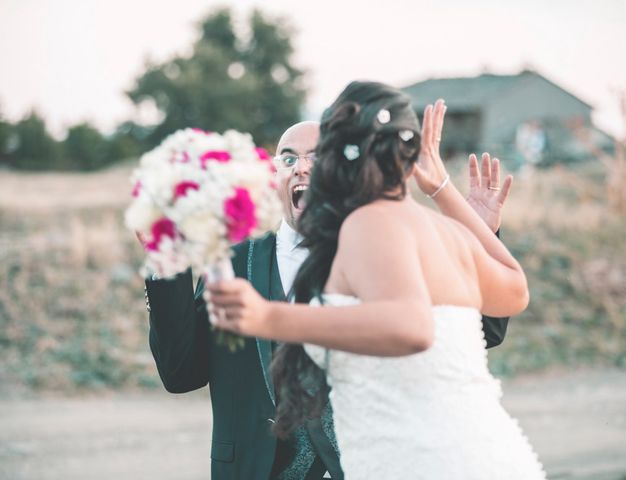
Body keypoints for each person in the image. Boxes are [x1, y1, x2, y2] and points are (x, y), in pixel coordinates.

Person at [145, 105, 512, 479]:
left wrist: (478, 239)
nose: (301, 168)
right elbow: (181, 374)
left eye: (317, 158)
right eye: (288, 159)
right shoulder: (231, 264)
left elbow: (485, 329)